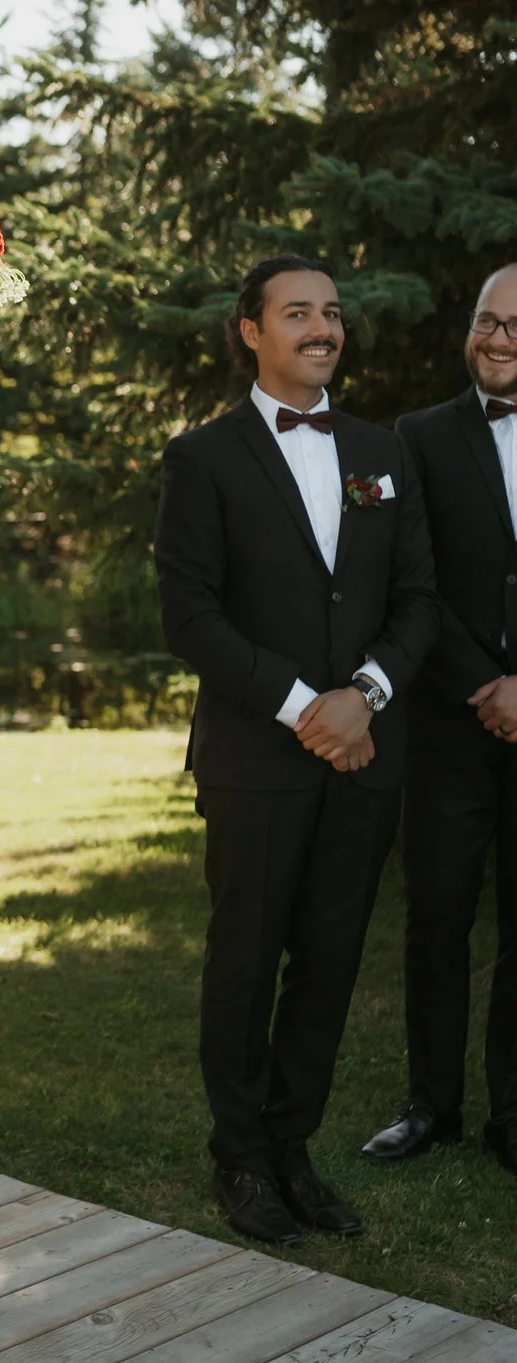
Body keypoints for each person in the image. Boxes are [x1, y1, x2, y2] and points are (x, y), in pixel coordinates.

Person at [154, 255, 439, 1246]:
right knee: (244, 957)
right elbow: (187, 615)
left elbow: (415, 599)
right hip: (254, 757)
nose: (320, 326)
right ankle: (238, 1156)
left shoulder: (381, 452)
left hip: (363, 754)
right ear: (248, 330)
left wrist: (360, 697)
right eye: (295, 312)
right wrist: (298, 707)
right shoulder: (202, 458)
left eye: (329, 312)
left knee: (326, 958)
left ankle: (292, 1145)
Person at [365, 262, 517, 1173]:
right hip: (450, 724)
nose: (497, 340)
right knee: (438, 914)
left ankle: (514, 1109)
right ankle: (431, 1104)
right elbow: (407, 578)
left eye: (515, 327)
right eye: (486, 321)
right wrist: (488, 684)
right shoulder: (417, 438)